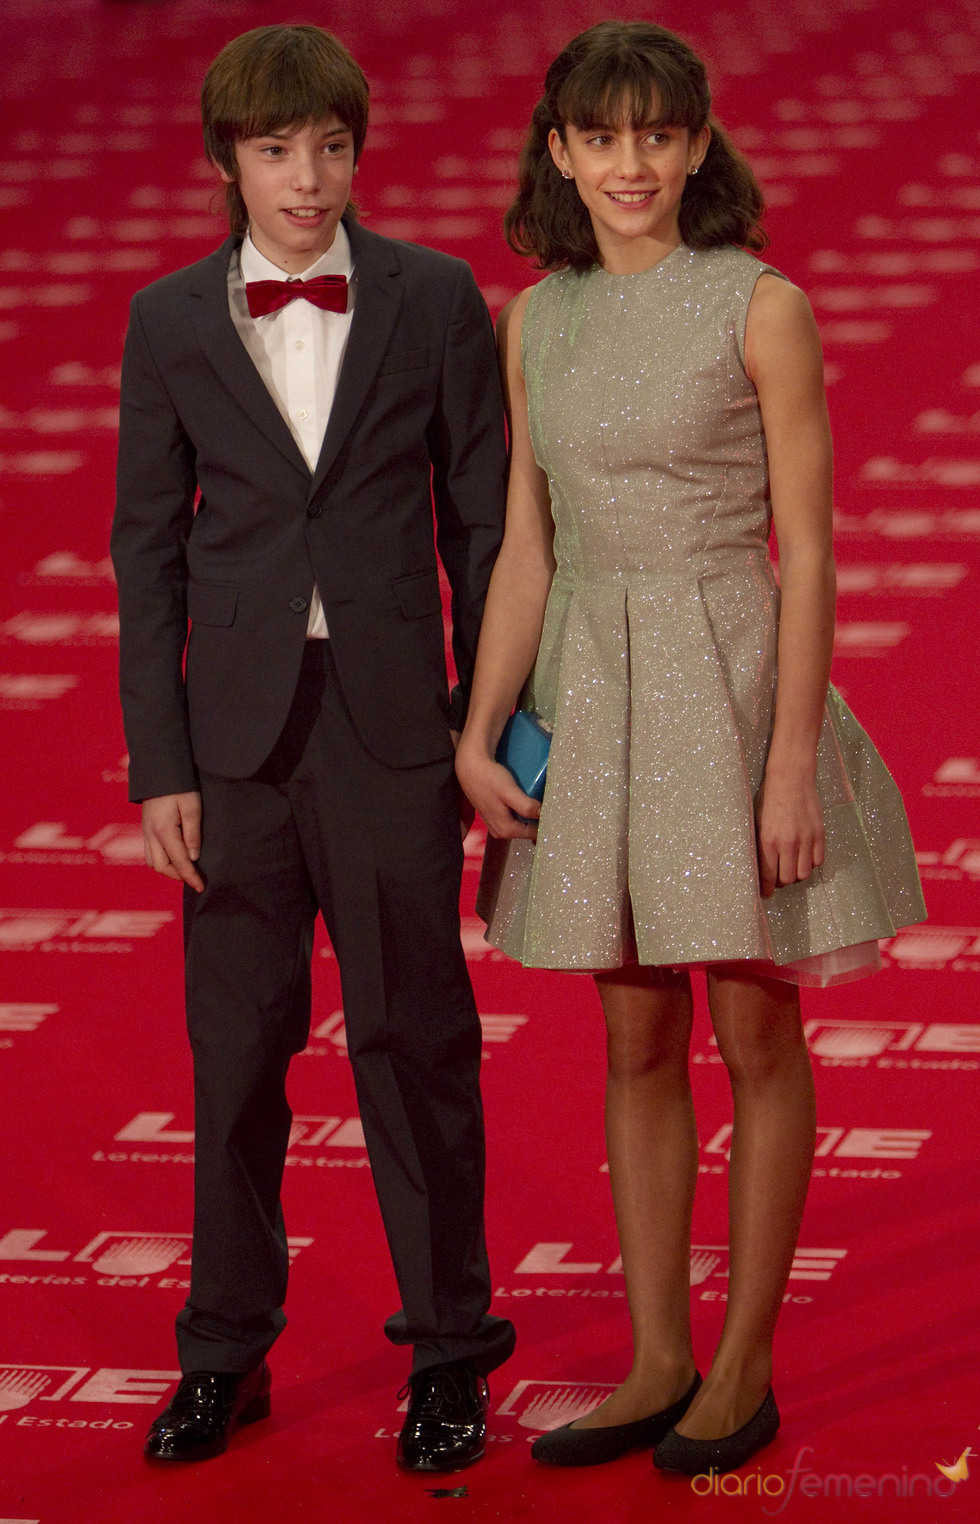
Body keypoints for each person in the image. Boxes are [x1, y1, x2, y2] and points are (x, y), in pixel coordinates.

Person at [455, 19, 925, 1478]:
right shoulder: (537, 317)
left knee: (753, 1028)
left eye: (660, 133)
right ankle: (657, 1356)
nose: (632, 162)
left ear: (701, 143)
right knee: (635, 1031)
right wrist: (479, 728)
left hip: (729, 685)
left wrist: (791, 763)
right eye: (603, 136)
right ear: (560, 152)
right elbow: (530, 544)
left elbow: (813, 549)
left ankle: (744, 1367)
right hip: (594, 690)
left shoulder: (761, 306)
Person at [110, 23, 515, 1472]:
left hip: (396, 724)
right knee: (235, 1057)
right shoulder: (165, 320)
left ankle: (453, 1353)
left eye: (332, 147)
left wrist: (489, 725)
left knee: (417, 1044)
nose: (308, 178)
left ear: (359, 150)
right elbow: (146, 552)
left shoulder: (436, 295)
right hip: (231, 745)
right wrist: (160, 762)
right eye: (278, 151)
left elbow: (483, 529)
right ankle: (225, 1351)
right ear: (229, 160)